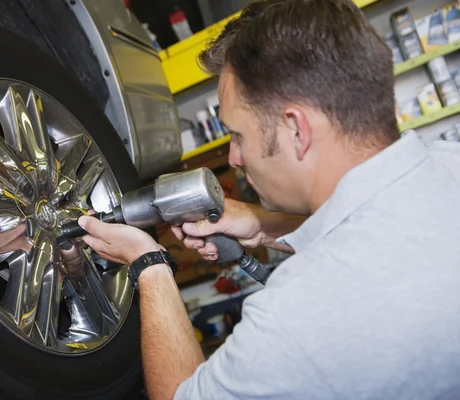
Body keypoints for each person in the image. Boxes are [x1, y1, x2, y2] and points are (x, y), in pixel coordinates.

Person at [77, 0, 460, 398]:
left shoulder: (295, 316)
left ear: (296, 129)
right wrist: (265, 226)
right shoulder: (452, 162)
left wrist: (149, 265)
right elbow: (377, 237)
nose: (233, 159)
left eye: (238, 135)